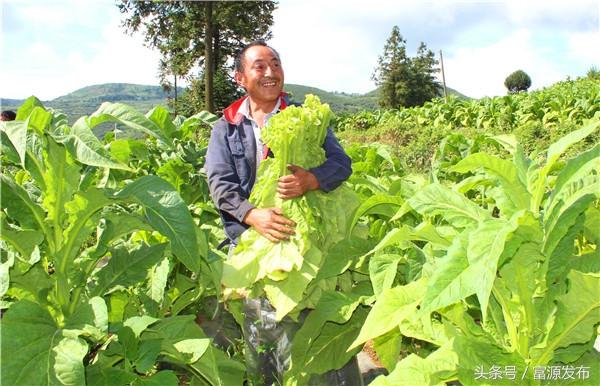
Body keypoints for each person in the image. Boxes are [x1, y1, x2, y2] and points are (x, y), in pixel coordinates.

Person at [205, 41, 360, 385]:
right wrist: (252, 214)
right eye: (259, 66)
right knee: (265, 342)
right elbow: (220, 185)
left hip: (309, 243)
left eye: (275, 63)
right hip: (252, 244)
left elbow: (341, 164)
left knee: (320, 332)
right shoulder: (226, 127)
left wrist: (312, 179)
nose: (270, 72)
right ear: (241, 77)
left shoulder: (305, 117)